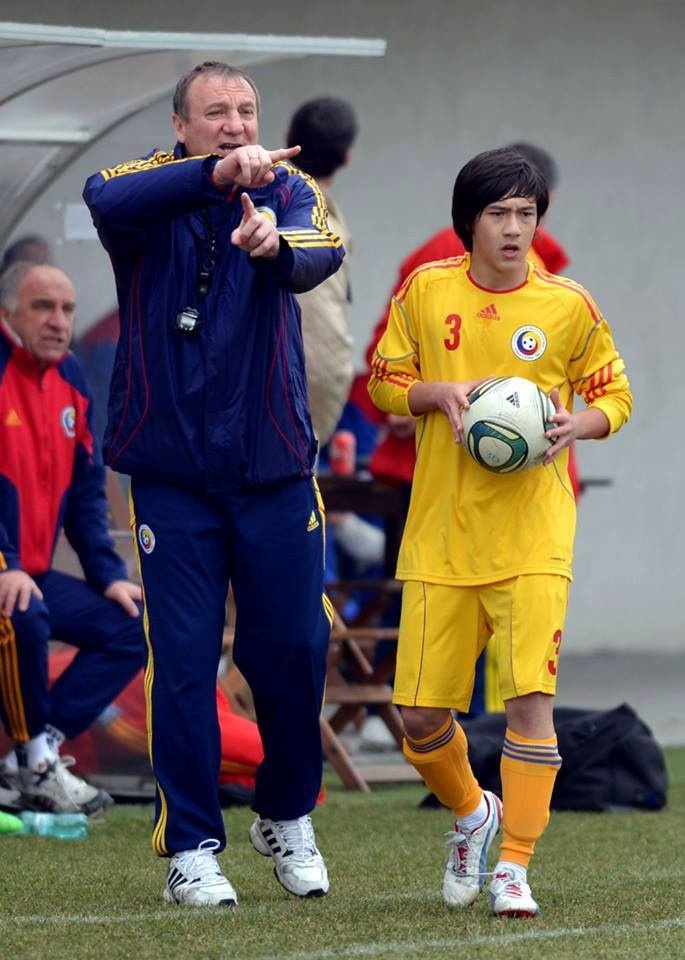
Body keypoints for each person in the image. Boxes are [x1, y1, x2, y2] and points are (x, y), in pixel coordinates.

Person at [83, 61, 345, 907]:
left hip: (272, 467)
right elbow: (102, 196)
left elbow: (320, 251)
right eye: (217, 113)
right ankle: (191, 846)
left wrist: (272, 243)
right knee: (187, 664)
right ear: (183, 124)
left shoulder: (294, 186)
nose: (236, 124)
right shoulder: (149, 184)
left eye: (246, 111)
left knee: (296, 649)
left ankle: (286, 816)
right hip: (171, 477)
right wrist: (210, 180)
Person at [368, 147, 632, 917]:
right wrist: (435, 392)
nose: (514, 230)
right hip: (442, 534)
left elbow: (614, 395)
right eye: (498, 214)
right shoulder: (426, 290)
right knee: (418, 717)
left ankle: (513, 863)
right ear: (467, 223)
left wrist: (573, 423)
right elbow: (383, 381)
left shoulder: (567, 306)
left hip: (533, 536)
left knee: (528, 703)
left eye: (525, 214)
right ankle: (471, 813)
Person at [0, 262, 146, 816]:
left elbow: (87, 494)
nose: (58, 321)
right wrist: (3, 564)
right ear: (7, 313)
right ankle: (35, 764)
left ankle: (34, 755)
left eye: (67, 310)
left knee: (131, 625)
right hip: (8, 573)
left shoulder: (71, 381)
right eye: (43, 307)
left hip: (28, 572)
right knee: (24, 613)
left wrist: (108, 576)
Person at [286, 96, 357, 447]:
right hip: (291, 412)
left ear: (288, 139)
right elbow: (322, 352)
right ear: (347, 157)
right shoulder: (319, 224)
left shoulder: (253, 199)